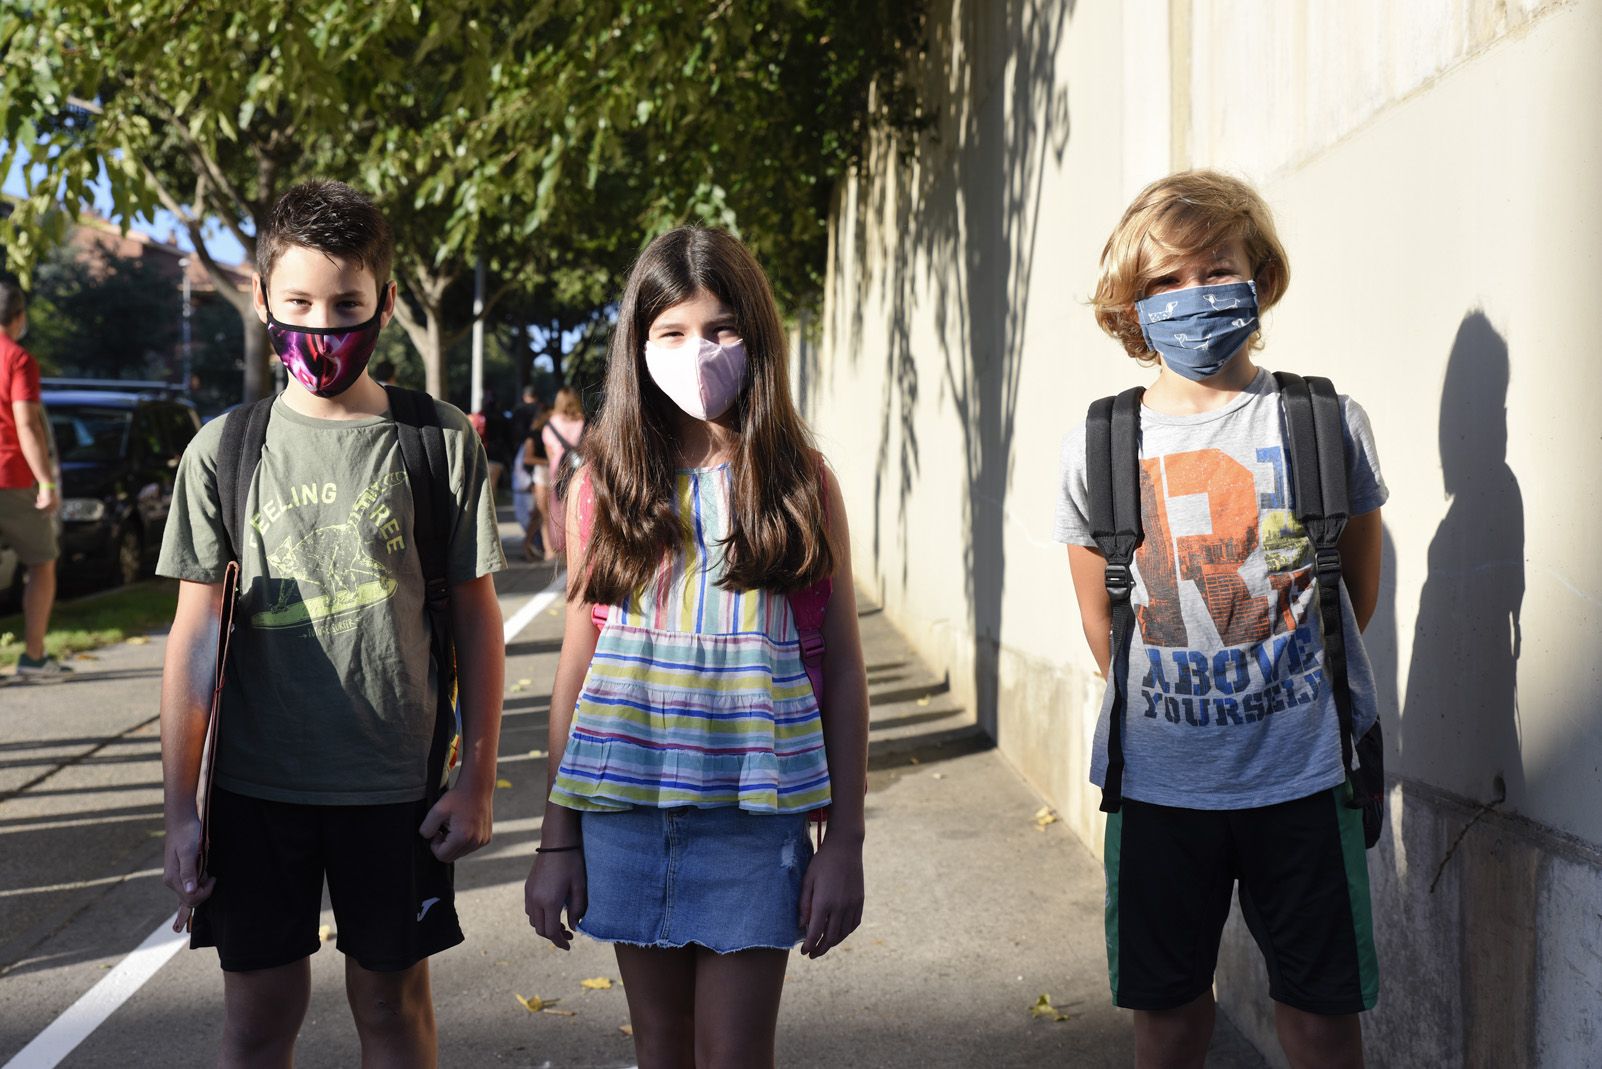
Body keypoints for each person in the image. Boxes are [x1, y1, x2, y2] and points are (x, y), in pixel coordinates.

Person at [156, 180, 507, 1067]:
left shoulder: (439, 444)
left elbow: (476, 621)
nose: (323, 325)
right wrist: (180, 811)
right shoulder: (224, 450)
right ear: (263, 295)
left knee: (390, 1007)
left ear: (385, 303)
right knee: (258, 1016)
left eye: (347, 304)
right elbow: (193, 642)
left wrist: (478, 780)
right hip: (253, 788)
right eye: (301, 301)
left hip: (395, 786)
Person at [1056, 171, 1387, 1069]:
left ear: (1259, 275)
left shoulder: (1321, 419)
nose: (1191, 294)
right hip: (1161, 786)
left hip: (1306, 777)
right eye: (1163, 281)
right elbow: (1102, 624)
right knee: (1166, 1021)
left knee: (1320, 1020)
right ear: (1131, 304)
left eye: (1213, 268)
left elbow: (1353, 589)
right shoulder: (1101, 443)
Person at [523, 227, 869, 1069]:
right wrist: (556, 840)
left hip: (756, 825)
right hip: (626, 816)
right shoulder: (606, 483)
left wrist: (846, 843)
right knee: (661, 1053)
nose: (699, 351)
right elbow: (578, 669)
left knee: (735, 1057)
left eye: (720, 329)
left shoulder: (797, 483)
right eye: (672, 332)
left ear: (756, 334)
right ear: (637, 348)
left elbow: (844, 669)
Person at [0, 281, 69, 682]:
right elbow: (26, 424)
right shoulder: (18, 359)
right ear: (19, 316)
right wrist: (46, 482)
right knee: (42, 563)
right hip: (12, 478)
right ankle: (34, 656)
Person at [539, 385, 586, 559]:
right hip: (579, 467)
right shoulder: (582, 420)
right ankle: (580, 539)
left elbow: (550, 452)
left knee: (558, 506)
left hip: (558, 468)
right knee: (578, 503)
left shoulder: (552, 423)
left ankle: (561, 543)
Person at [511, 396, 549, 562]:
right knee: (541, 515)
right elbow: (527, 460)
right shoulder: (533, 436)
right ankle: (535, 548)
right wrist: (549, 461)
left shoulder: (536, 434)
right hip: (534, 481)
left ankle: (528, 546)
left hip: (534, 480)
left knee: (538, 516)